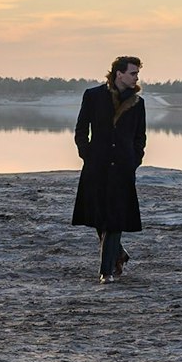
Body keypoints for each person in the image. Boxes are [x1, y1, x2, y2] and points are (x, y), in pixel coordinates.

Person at [72, 56, 145, 282]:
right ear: (119, 74)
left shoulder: (137, 103)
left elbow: (139, 137)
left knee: (114, 219)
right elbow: (81, 129)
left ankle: (106, 272)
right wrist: (87, 154)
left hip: (123, 168)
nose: (136, 77)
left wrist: (134, 159)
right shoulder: (93, 96)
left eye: (137, 73)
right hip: (97, 166)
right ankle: (119, 253)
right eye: (132, 73)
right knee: (99, 217)